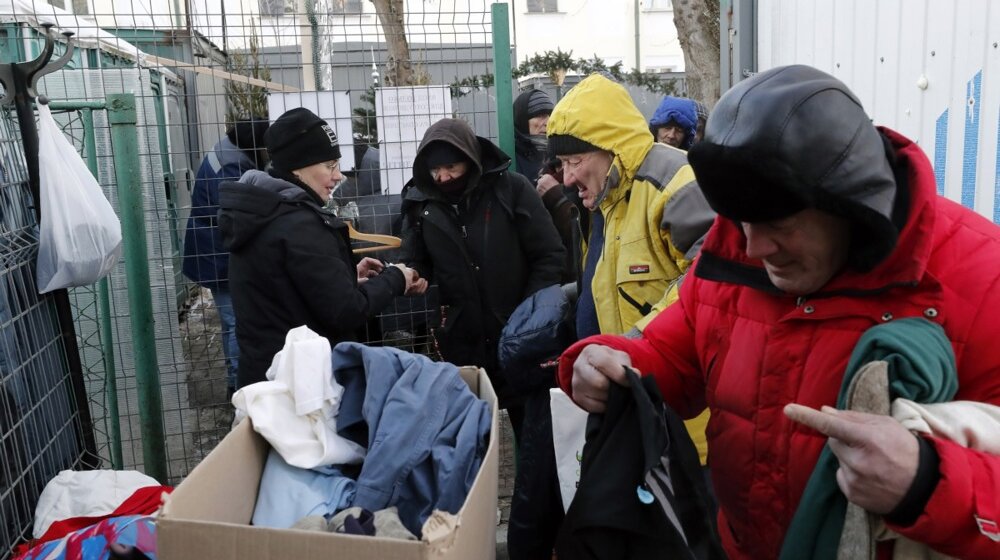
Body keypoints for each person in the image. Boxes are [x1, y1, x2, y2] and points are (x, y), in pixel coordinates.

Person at [558, 65, 1000, 560]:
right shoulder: (731, 251)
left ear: (850, 199)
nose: (754, 245)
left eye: (777, 222)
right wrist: (615, 363)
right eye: (742, 219)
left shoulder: (983, 281)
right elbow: (675, 353)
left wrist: (927, 483)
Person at [218, 107, 423, 388]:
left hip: (269, 375)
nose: (338, 176)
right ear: (297, 167)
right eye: (329, 165)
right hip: (298, 387)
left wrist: (347, 276)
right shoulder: (298, 223)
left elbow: (290, 292)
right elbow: (346, 310)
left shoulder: (263, 212)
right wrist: (396, 277)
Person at [398, 117, 565, 431]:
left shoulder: (512, 189)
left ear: (470, 159)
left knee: (532, 432)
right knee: (468, 436)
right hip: (461, 342)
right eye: (435, 170)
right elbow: (415, 257)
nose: (443, 177)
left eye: (451, 167)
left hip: (520, 336)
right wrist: (412, 274)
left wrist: (529, 315)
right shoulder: (420, 205)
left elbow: (549, 254)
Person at [182, 117, 268, 393]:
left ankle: (237, 380)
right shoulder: (231, 166)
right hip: (218, 253)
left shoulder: (227, 151)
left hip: (211, 248)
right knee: (236, 321)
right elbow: (241, 212)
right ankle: (238, 386)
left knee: (231, 321)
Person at [512, 89, 555, 181]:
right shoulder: (509, 155)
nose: (548, 122)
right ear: (522, 119)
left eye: (550, 115)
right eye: (540, 115)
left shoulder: (556, 153)